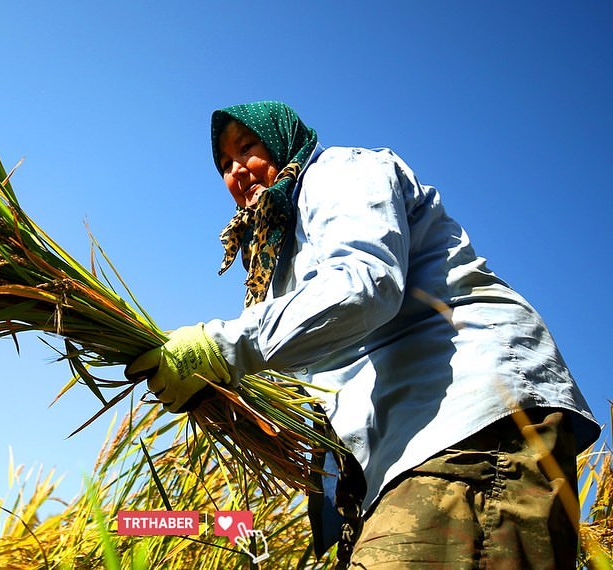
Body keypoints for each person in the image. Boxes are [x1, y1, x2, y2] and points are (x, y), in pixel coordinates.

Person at [125, 101, 600, 567]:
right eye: (225, 165)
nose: (237, 171)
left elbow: (365, 283)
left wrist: (221, 347)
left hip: (465, 430)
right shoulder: (282, 261)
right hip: (402, 465)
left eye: (247, 148)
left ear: (283, 140)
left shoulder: (338, 172)